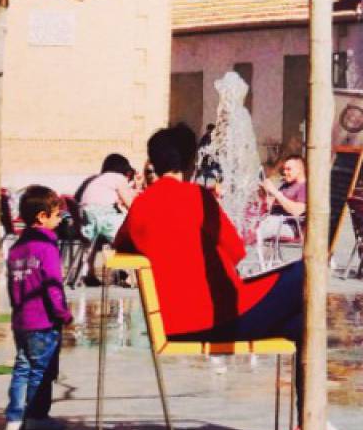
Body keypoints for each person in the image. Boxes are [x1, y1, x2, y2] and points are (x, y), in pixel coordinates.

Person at [121, 124, 303, 346]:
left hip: (170, 325)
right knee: (304, 271)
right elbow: (237, 251)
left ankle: (299, 375)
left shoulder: (141, 204)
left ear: (154, 163)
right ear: (190, 161)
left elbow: (121, 245)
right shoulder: (197, 196)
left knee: (298, 323)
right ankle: (305, 378)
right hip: (218, 318)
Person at [5, 186, 71, 430]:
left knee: (22, 368)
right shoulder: (47, 247)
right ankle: (36, 418)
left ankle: (14, 417)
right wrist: (63, 314)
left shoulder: (16, 248)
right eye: (56, 214)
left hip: (21, 319)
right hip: (43, 322)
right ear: (42, 217)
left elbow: (12, 286)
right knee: (41, 371)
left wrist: (16, 310)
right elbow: (53, 285)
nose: (59, 219)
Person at [74, 153, 138, 247]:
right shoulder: (119, 178)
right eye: (130, 174)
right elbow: (132, 206)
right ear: (125, 171)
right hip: (104, 216)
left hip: (88, 220)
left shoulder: (99, 178)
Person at [255, 155, 308, 258]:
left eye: (289, 169)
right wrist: (265, 193)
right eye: (284, 169)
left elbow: (297, 211)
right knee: (248, 225)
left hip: (290, 225)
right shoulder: (286, 185)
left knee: (255, 232)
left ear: (300, 170)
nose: (285, 172)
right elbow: (271, 205)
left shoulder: (304, 187)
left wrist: (275, 192)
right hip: (274, 220)